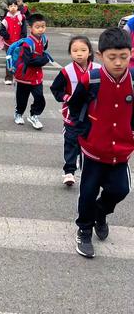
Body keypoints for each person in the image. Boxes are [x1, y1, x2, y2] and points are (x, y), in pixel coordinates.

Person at [67, 28, 134, 258]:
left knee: (121, 189)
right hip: (94, 149)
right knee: (87, 191)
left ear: (131, 53)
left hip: (122, 150)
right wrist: (82, 130)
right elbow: (74, 106)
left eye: (123, 57)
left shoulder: (133, 80)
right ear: (100, 55)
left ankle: (100, 212)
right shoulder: (91, 79)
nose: (118, 62)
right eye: (112, 57)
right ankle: (84, 230)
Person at [50, 36, 100, 187]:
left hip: (93, 115)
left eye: (83, 50)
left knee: (90, 143)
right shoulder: (66, 71)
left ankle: (89, 171)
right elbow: (56, 89)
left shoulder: (98, 70)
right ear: (70, 53)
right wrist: (67, 97)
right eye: (75, 50)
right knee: (71, 141)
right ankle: (69, 172)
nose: (79, 54)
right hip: (72, 114)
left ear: (90, 52)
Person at [13, 13, 50, 130]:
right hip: (24, 76)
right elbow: (28, 61)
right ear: (31, 28)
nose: (41, 29)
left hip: (37, 76)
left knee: (40, 98)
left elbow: (43, 51)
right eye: (37, 27)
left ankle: (34, 115)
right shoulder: (27, 43)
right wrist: (44, 60)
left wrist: (43, 58)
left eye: (43, 26)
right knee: (22, 98)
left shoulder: (44, 39)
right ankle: (18, 113)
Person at [0, 0, 27, 85]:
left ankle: (19, 76)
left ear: (17, 7)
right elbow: (2, 31)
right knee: (9, 59)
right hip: (8, 44)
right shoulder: (5, 19)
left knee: (19, 60)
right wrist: (6, 35)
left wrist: (23, 39)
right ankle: (8, 77)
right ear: (8, 8)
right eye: (11, 6)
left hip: (18, 43)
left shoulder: (21, 17)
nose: (13, 7)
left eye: (15, 6)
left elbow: (24, 30)